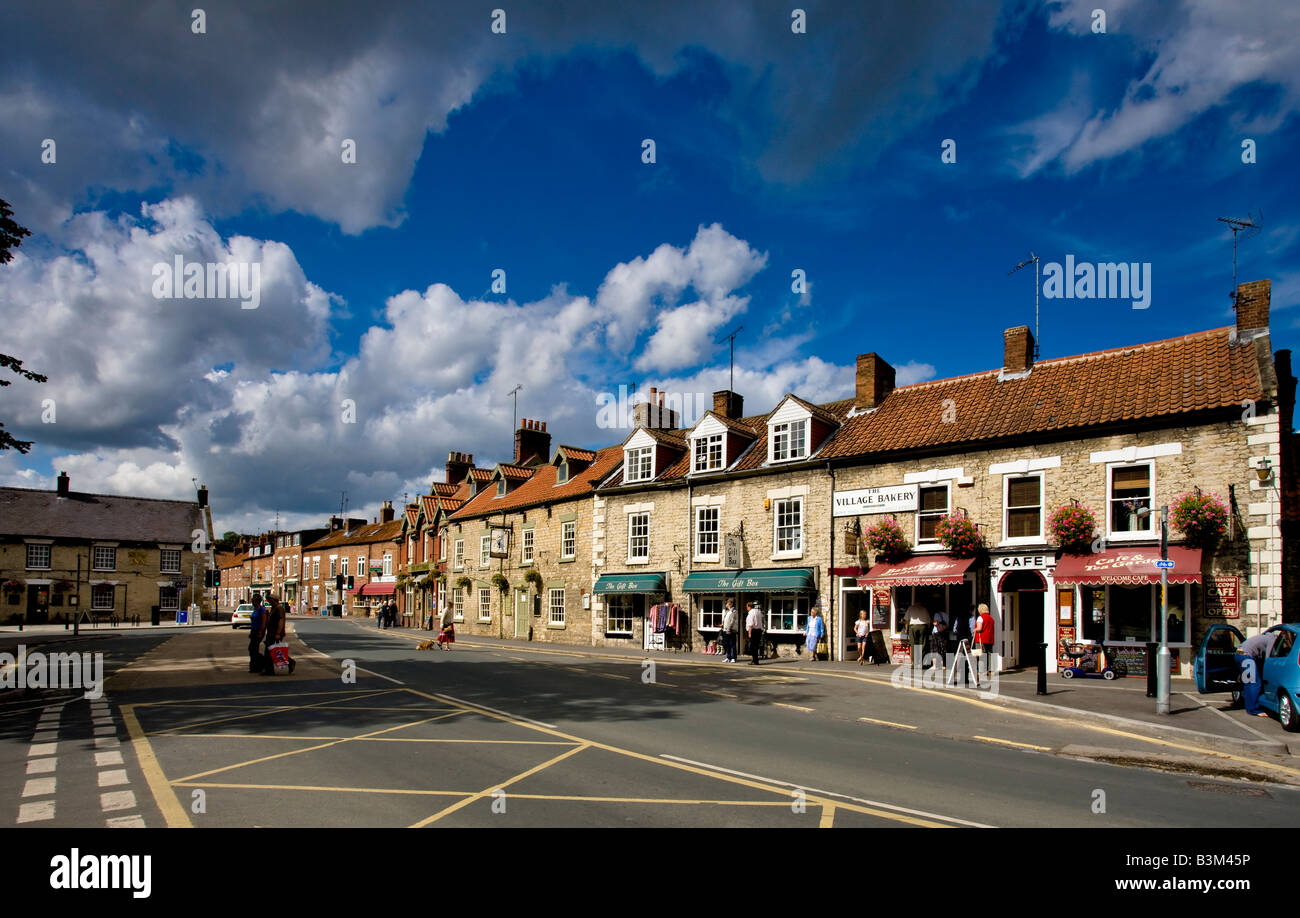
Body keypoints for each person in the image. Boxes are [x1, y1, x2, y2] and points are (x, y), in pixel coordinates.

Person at [1235, 628, 1281, 716]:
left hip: (1239, 654)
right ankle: (1254, 709)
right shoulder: (1273, 640)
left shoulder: (1265, 636)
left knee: (1248, 683)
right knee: (1254, 683)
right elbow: (1269, 658)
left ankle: (1249, 707)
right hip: (1246, 656)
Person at [973, 603, 996, 680]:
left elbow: (979, 628)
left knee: (981, 655)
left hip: (981, 639)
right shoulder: (991, 618)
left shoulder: (980, 618)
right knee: (989, 654)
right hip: (989, 639)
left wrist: (974, 629)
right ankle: (991, 670)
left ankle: (982, 671)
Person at [905, 596, 930, 668]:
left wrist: (906, 629)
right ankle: (921, 663)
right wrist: (927, 629)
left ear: (914, 602)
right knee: (922, 644)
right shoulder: (924, 609)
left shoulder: (911, 608)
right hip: (923, 626)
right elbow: (928, 622)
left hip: (913, 626)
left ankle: (914, 663)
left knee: (913, 645)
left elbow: (907, 620)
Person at [248, 597, 267, 673]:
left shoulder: (261, 609)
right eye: (252, 601)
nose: (252, 603)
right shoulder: (255, 609)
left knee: (253, 649)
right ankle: (255, 666)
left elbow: (264, 621)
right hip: (253, 630)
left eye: (253, 601)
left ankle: (261, 664)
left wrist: (260, 632)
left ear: (258, 601)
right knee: (252, 649)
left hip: (258, 631)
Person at [745, 601, 764, 666]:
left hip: (753, 631)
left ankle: (755, 660)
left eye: (747, 607)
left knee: (753, 647)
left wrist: (749, 633)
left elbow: (751, 624)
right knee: (756, 646)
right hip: (759, 631)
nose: (746, 608)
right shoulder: (758, 612)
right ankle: (755, 660)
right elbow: (762, 621)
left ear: (749, 606)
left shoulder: (751, 613)